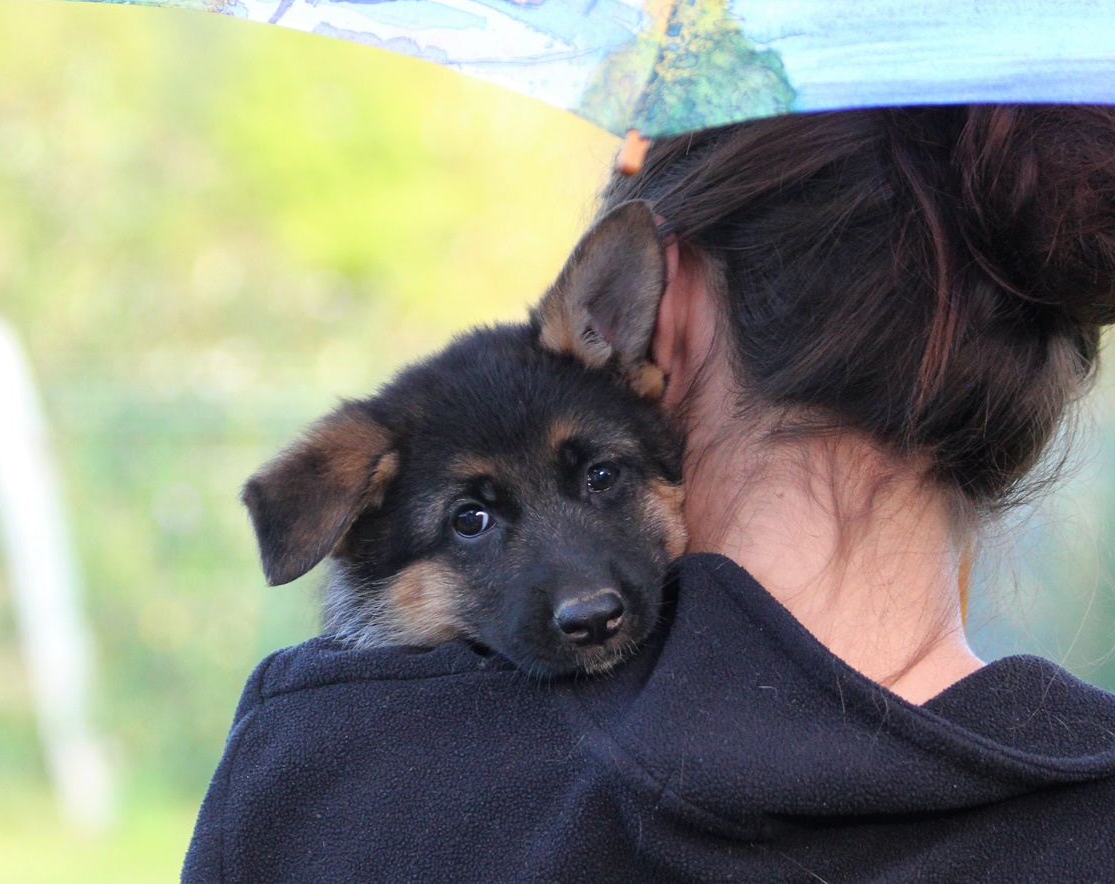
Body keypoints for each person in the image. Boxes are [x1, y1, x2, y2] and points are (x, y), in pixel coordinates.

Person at [183, 105, 1115, 881]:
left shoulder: (313, 780)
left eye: (600, 479)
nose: (581, 591)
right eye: (473, 521)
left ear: (662, 312)